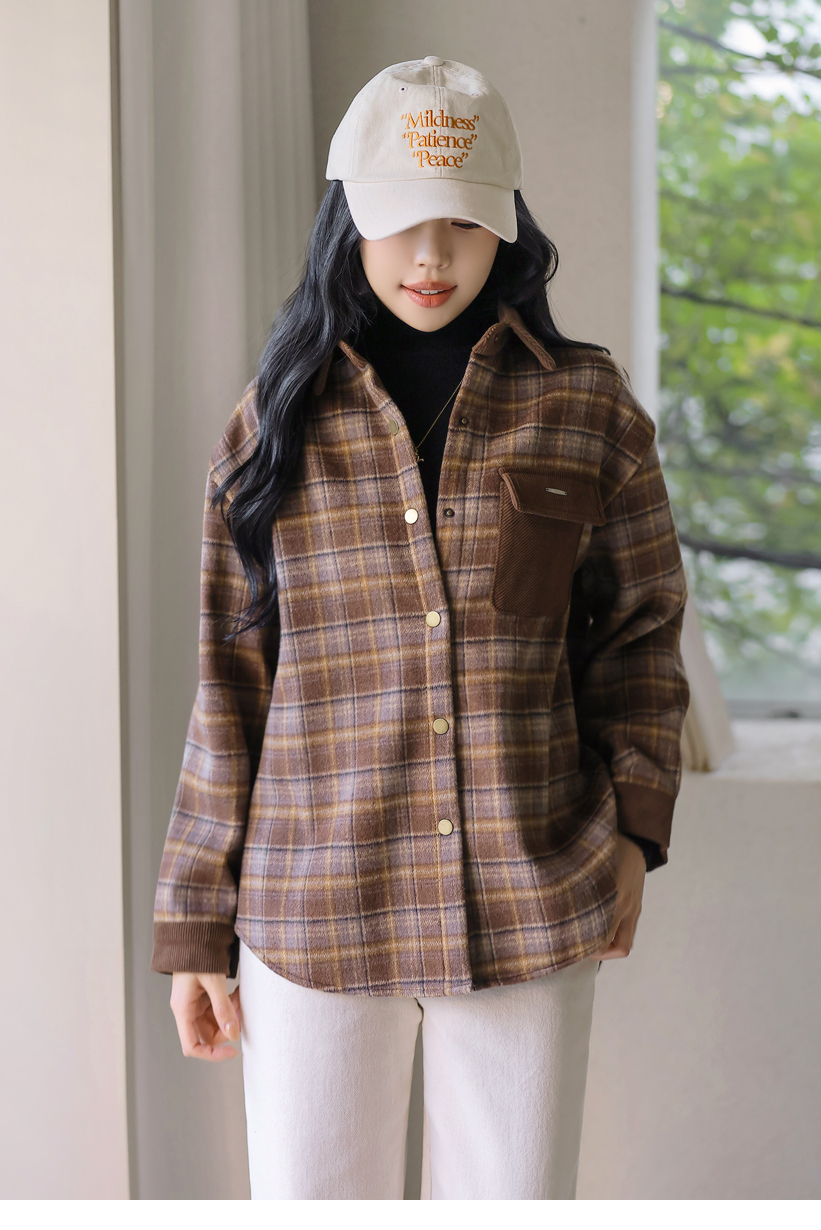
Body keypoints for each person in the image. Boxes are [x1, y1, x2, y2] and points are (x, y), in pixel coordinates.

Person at [151, 56, 691, 1200]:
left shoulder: (587, 410)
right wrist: (195, 924)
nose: (432, 256)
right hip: (311, 906)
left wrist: (632, 833)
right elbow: (229, 681)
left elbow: (640, 635)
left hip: (529, 890)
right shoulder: (272, 424)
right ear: (347, 217)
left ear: (508, 226)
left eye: (463, 221)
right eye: (401, 221)